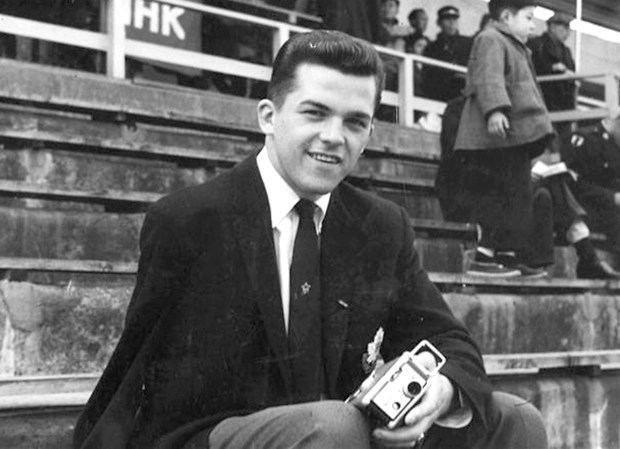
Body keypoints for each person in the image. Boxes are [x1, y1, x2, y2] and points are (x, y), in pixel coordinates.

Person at [73, 30, 548, 449]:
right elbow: (133, 380)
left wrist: (439, 392)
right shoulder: (190, 220)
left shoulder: (382, 225)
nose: (333, 137)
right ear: (268, 115)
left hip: (342, 432)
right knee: (332, 427)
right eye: (315, 113)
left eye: (354, 122)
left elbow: (447, 338)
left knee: (513, 420)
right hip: (222, 436)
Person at [452, 0, 555, 277]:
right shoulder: (491, 39)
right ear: (507, 16)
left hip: (513, 138)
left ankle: (507, 255)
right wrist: (495, 110)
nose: (534, 25)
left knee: (518, 197)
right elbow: (489, 78)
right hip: (496, 136)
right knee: (500, 195)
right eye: (529, 17)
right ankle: (484, 256)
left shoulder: (518, 46)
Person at [563, 114, 620, 271]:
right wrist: (612, 197)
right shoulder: (583, 138)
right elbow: (572, 183)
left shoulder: (615, 144)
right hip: (586, 209)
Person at [528, 12, 577, 148]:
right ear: (552, 26)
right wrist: (552, 68)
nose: (568, 31)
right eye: (564, 27)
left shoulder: (566, 51)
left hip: (563, 105)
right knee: (549, 144)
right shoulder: (537, 44)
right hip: (544, 101)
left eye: (568, 28)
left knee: (564, 145)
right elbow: (532, 67)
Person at [422, 6, 473, 102]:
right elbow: (428, 76)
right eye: (447, 19)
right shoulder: (431, 48)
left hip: (463, 93)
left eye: (454, 19)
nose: (451, 22)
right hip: (439, 94)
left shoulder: (468, 43)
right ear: (439, 23)